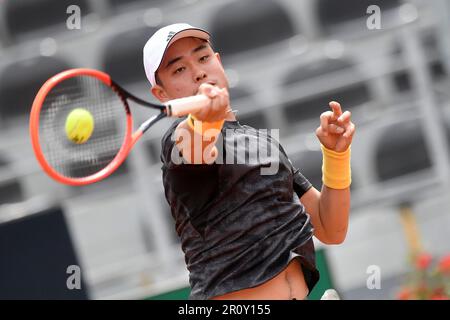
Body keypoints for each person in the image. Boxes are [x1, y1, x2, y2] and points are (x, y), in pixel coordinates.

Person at [143, 23, 355, 300]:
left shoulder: (263, 143)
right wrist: (208, 118)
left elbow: (330, 228)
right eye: (179, 69)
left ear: (218, 62)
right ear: (162, 95)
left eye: (203, 58)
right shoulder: (179, 144)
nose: (199, 72)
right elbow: (197, 143)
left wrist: (336, 155)